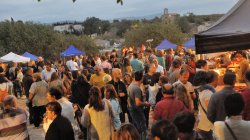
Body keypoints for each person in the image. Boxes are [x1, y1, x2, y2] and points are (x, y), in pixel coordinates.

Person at [127, 71, 150, 139]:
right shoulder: (136, 88)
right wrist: (146, 103)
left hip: (133, 110)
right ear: (142, 78)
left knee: (137, 129)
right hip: (137, 111)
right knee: (142, 129)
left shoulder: (131, 85)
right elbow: (137, 102)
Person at [193, 71, 214, 140]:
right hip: (208, 126)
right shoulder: (207, 93)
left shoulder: (201, 91)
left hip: (203, 123)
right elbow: (211, 110)